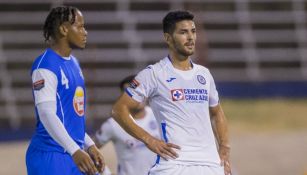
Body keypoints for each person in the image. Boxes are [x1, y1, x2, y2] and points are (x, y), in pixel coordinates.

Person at [112, 10, 232, 175]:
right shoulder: (154, 73)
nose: (190, 37)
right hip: (174, 165)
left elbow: (217, 112)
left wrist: (224, 149)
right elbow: (119, 110)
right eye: (183, 32)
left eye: (193, 31)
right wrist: (149, 139)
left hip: (210, 164)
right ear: (168, 38)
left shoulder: (204, 74)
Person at [25, 6, 105, 175]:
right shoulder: (45, 66)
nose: (85, 32)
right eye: (80, 26)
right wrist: (75, 150)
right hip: (51, 156)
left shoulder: (74, 63)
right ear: (63, 29)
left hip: (72, 152)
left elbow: (71, 117)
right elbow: (47, 114)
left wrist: (89, 145)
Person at [94, 75, 160, 175]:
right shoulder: (113, 124)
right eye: (131, 93)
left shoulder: (160, 116)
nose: (137, 97)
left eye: (140, 91)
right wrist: (105, 172)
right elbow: (90, 151)